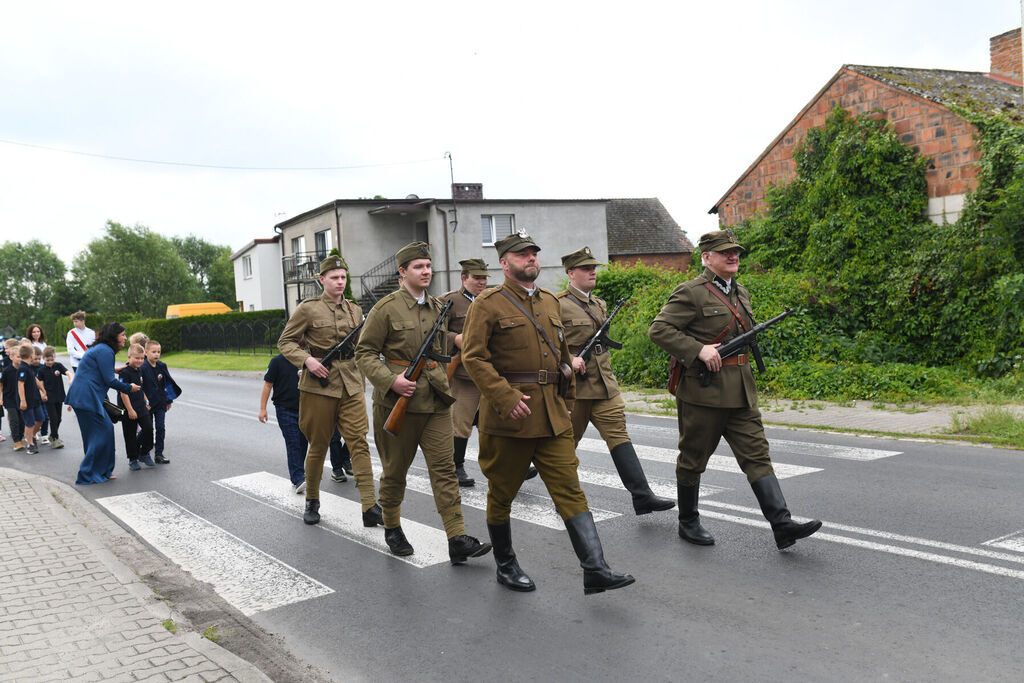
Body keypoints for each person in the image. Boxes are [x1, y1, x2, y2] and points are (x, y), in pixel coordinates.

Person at [461, 231, 634, 594]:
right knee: (502, 492)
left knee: (570, 489)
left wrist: (567, 401)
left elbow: (560, 357)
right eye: (522, 255)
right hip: (511, 417)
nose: (531, 259)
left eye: (534, 254)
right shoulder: (488, 303)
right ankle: (506, 565)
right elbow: (473, 357)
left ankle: (595, 568)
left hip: (552, 415)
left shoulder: (550, 303)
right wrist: (505, 398)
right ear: (505, 263)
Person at [648, 229, 822, 550]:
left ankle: (781, 524)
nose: (733, 256)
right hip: (704, 393)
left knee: (757, 456)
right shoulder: (691, 292)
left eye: (736, 251)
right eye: (725, 251)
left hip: (741, 390)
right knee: (693, 458)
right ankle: (688, 521)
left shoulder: (741, 292)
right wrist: (698, 349)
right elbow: (659, 329)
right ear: (706, 257)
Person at [355, 241, 491, 564]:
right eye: (418, 267)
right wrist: (391, 380)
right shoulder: (385, 309)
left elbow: (443, 352)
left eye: (428, 266)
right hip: (397, 403)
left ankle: (457, 537)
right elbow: (364, 353)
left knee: (445, 470)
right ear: (402, 272)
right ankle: (391, 526)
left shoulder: (437, 307)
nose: (426, 271)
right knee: (395, 471)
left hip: (436, 402)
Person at [557, 246, 675, 515]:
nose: (592, 272)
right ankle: (565, 498)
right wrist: (566, 359)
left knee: (619, 436)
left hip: (604, 383)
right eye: (586, 269)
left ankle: (642, 495)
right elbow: (547, 343)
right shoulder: (557, 304)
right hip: (574, 388)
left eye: (594, 268)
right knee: (565, 445)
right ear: (571, 272)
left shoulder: (599, 304)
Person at [278, 249, 382, 527]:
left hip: (351, 383)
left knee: (359, 442)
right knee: (319, 445)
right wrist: (307, 360)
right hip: (319, 386)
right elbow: (285, 342)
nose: (339, 281)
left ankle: (370, 505)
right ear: (321, 279)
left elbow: (362, 346)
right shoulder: (308, 309)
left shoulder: (355, 309)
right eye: (334, 277)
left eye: (343, 277)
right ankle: (312, 500)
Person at [66, 322, 140, 484]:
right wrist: (129, 387)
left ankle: (100, 472)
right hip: (86, 397)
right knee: (101, 433)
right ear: (114, 336)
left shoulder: (101, 349)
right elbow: (109, 381)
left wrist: (113, 369)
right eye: (123, 335)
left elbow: (95, 368)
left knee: (96, 435)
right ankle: (88, 475)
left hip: (84, 396)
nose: (125, 338)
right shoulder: (106, 351)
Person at [440, 257, 490, 487]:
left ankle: (506, 466)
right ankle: (456, 466)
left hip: (491, 373)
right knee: (461, 422)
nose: (482, 282)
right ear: (464, 278)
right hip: (464, 374)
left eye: (484, 278)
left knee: (498, 421)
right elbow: (435, 331)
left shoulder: (492, 300)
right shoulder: (450, 301)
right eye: (477, 278)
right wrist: (455, 338)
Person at [259, 353, 310, 494]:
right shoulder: (277, 361)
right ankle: (298, 478)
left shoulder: (305, 360)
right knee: (293, 442)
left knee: (302, 442)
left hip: (304, 409)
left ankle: (300, 472)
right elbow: (268, 385)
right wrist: (263, 409)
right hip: (285, 409)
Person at [140, 340, 179, 464]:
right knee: (147, 429)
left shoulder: (162, 366)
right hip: (147, 404)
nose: (157, 354)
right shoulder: (142, 367)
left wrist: (169, 400)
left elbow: (166, 384)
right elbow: (139, 386)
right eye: (153, 352)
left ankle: (159, 454)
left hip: (161, 403)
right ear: (146, 352)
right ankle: (140, 449)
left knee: (161, 428)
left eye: (159, 352)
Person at [118, 344, 154, 470]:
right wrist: (130, 410)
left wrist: (146, 401)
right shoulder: (124, 372)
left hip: (140, 405)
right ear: (129, 357)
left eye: (141, 358)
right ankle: (132, 459)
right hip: (128, 408)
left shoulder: (140, 371)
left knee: (148, 429)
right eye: (136, 358)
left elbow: (140, 388)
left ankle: (144, 453)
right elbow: (123, 392)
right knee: (130, 434)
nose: (139, 361)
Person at [39, 346, 73, 449]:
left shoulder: (58, 366)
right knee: (53, 418)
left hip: (59, 396)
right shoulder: (42, 370)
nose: (50, 362)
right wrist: (43, 394)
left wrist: (70, 379)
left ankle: (52, 435)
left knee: (59, 418)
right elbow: (40, 384)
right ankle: (55, 438)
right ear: (43, 358)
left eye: (52, 359)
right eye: (47, 360)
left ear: (55, 357)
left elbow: (68, 372)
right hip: (49, 398)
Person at [17, 345, 47, 454]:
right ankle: (30, 444)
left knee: (40, 419)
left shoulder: (29, 367)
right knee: (29, 423)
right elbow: (20, 384)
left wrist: (43, 390)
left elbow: (35, 379)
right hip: (27, 401)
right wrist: (23, 401)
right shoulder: (22, 368)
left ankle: (32, 436)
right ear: (31, 355)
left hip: (35, 399)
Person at [1, 339, 26, 449]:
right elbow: (1, 385)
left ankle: (20, 438)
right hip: (9, 399)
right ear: (11, 357)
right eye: (18, 357)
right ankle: (16, 441)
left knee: (21, 420)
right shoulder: (6, 371)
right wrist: (0, 397)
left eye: (22, 357)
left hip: (21, 399)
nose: (20, 359)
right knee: (14, 419)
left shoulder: (24, 370)